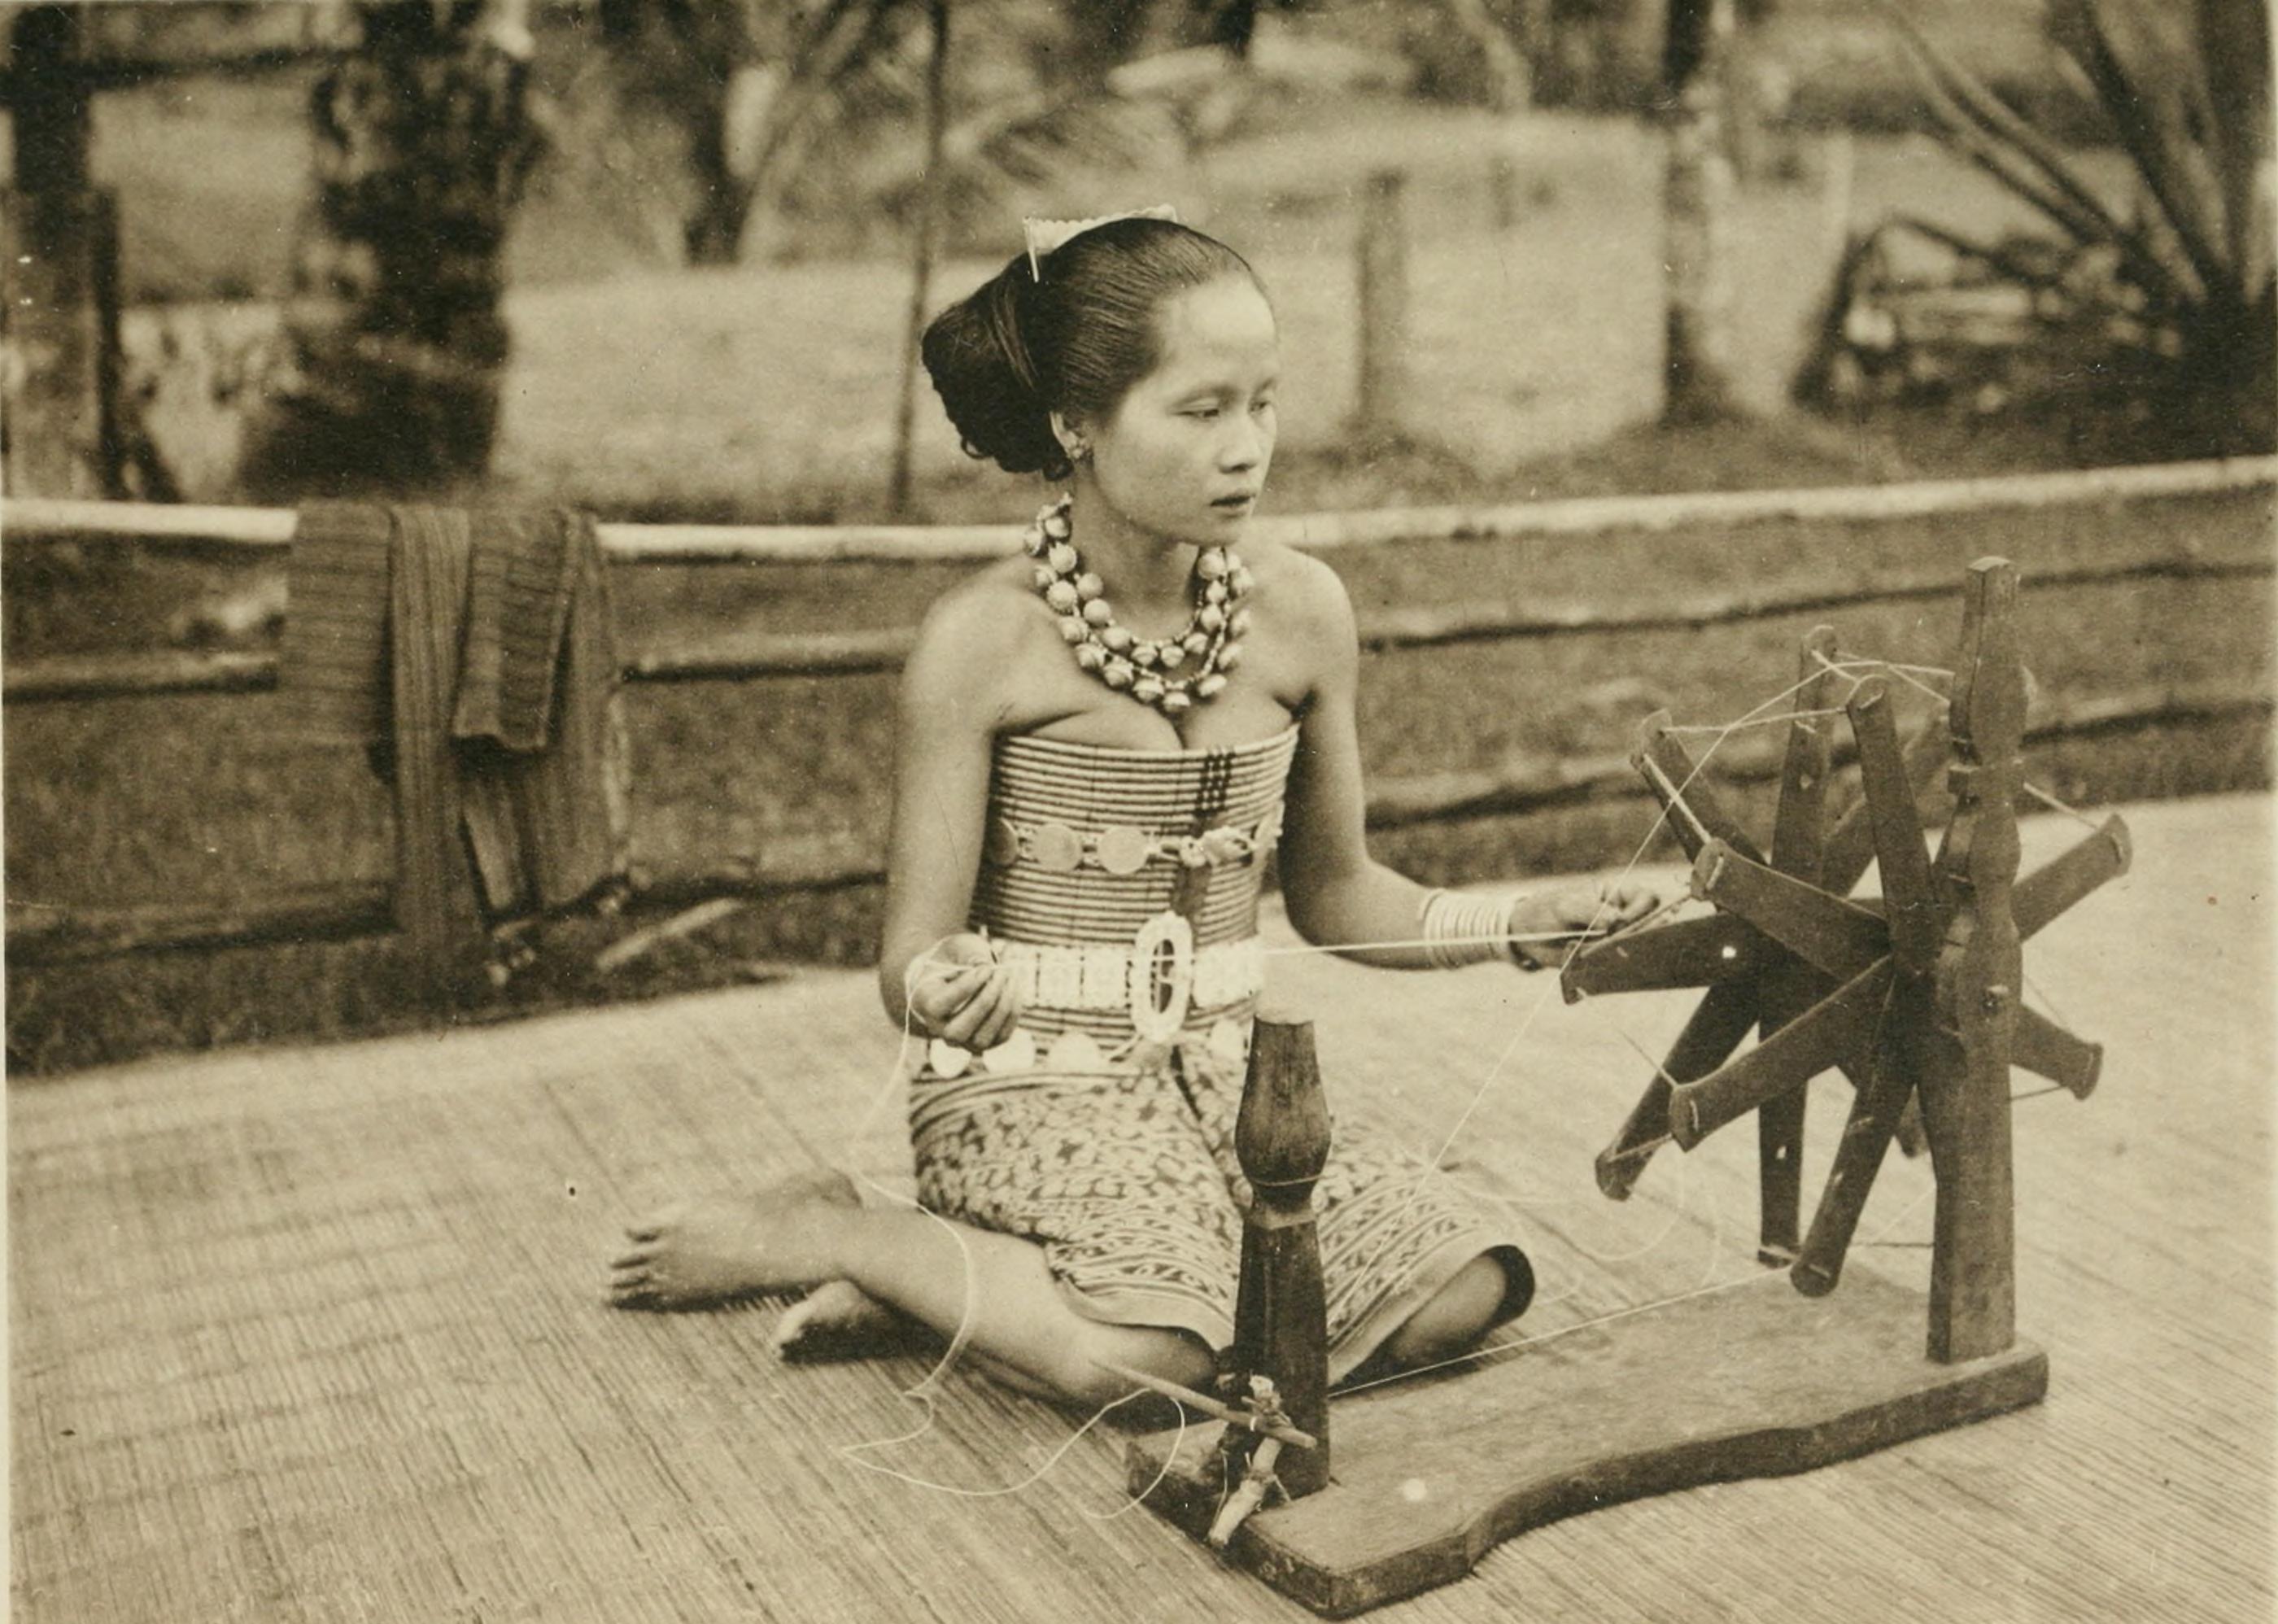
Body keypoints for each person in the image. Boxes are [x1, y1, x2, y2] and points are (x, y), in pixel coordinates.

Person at [608, 212, 1653, 1408]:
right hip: (1023, 1079)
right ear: (1077, 425)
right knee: (1156, 1362)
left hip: (1232, 1078)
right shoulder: (981, 643)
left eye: (1264, 402)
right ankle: (855, 1236)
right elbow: (910, 964)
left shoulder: (1304, 612)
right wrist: (950, 984)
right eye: (1202, 411)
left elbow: (1335, 893)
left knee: (1465, 1289)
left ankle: (996, 1290)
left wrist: (1524, 920)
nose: (1247, 449)